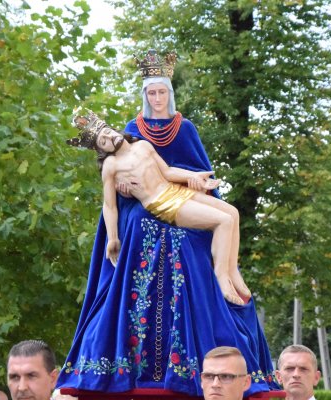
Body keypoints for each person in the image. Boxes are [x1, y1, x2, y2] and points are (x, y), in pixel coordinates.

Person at [56, 49, 280, 397]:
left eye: (162, 92)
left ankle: (226, 274)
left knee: (226, 218)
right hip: (147, 207)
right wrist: (119, 208)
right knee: (147, 228)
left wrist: (195, 180)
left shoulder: (181, 130)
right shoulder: (132, 133)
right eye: (151, 92)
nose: (157, 98)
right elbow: (110, 202)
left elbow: (178, 167)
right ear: (144, 95)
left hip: (180, 194)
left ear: (169, 94)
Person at [70, 109, 247, 305]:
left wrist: (194, 176)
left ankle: (232, 270)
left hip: (173, 190)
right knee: (223, 221)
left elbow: (168, 171)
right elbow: (109, 205)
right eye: (103, 142)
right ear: (102, 150)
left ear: (113, 129)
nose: (109, 138)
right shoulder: (111, 165)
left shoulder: (143, 145)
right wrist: (112, 238)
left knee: (232, 212)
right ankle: (221, 278)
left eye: (107, 132)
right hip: (161, 203)